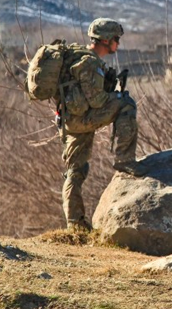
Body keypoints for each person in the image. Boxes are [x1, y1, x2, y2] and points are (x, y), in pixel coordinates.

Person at [60, 18, 141, 232]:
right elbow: (97, 101)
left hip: (71, 120)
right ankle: (125, 160)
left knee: (75, 169)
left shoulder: (80, 57)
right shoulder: (90, 63)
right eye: (116, 39)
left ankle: (75, 224)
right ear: (105, 40)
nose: (118, 44)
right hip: (82, 119)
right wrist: (114, 94)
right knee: (126, 104)